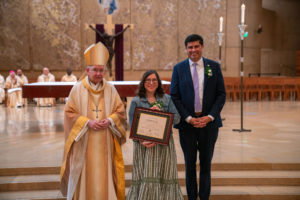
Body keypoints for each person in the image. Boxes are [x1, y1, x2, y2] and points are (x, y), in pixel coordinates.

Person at [60, 42, 127, 200]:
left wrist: (110, 120)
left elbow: (121, 112)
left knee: (104, 174)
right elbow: (69, 112)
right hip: (84, 141)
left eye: (101, 70)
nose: (98, 73)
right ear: (87, 70)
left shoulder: (111, 89)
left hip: (106, 142)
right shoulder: (77, 89)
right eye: (95, 70)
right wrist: (86, 122)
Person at [170, 34, 226, 200]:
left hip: (209, 124)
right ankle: (192, 197)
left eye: (196, 46)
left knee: (206, 165)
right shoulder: (178, 69)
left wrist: (210, 117)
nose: (193, 50)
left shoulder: (213, 67)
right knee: (189, 165)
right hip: (187, 125)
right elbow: (174, 96)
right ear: (186, 49)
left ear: (202, 47)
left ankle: (204, 197)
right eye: (190, 47)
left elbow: (221, 94)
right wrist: (188, 118)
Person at [126, 70, 183, 200]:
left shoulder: (167, 99)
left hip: (164, 145)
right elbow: (132, 126)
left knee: (164, 173)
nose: (151, 83)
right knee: (145, 173)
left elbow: (177, 119)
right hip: (144, 146)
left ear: (158, 83)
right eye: (148, 80)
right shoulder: (136, 101)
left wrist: (161, 112)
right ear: (143, 83)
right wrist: (141, 141)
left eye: (154, 80)